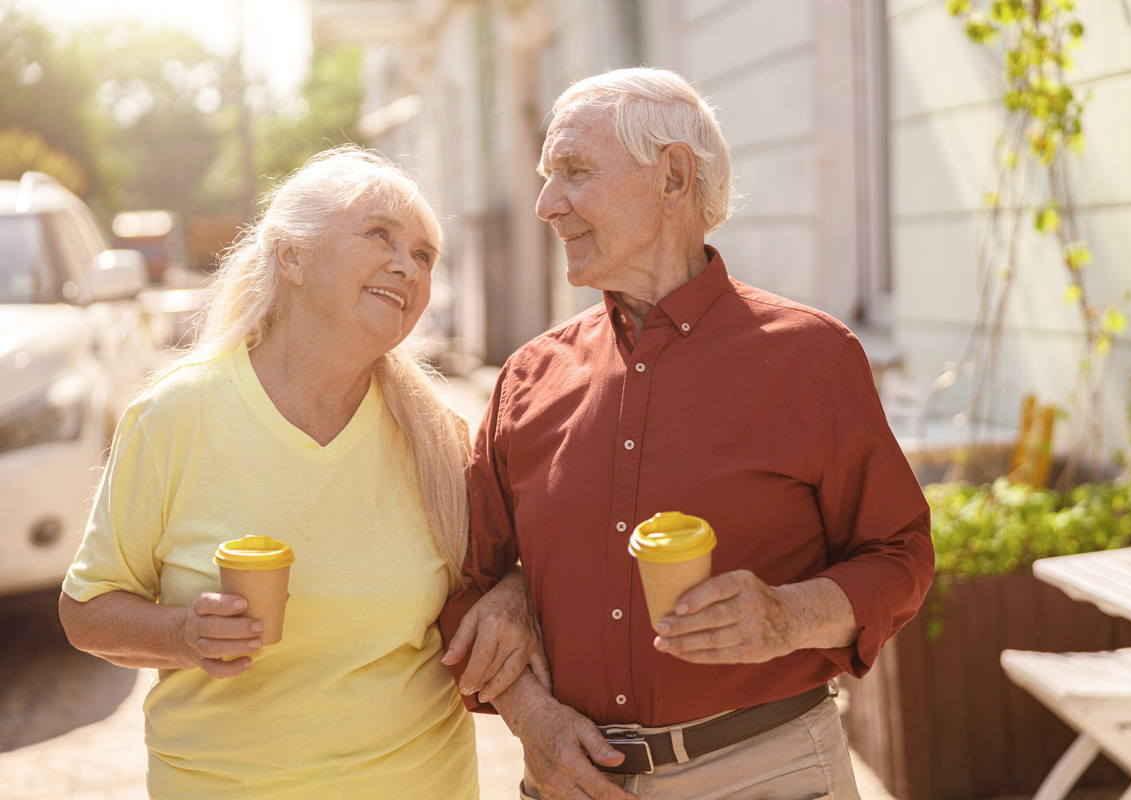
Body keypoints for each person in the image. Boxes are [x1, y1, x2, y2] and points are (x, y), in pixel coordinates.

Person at [438, 67, 935, 800]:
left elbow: (901, 557)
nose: (546, 205)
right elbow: (463, 590)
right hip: (574, 780)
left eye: (574, 171)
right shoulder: (526, 379)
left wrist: (790, 616)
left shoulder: (811, 359)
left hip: (770, 773)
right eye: (548, 177)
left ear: (672, 177)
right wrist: (530, 713)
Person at [59, 146, 544, 799]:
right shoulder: (176, 414)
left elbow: (503, 574)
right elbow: (87, 609)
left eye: (424, 255)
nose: (407, 265)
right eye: (380, 235)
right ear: (292, 257)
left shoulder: (440, 434)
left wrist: (514, 597)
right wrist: (183, 634)